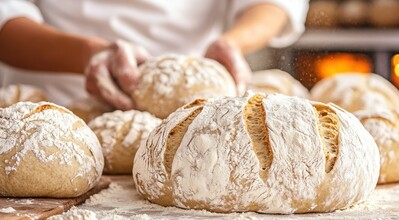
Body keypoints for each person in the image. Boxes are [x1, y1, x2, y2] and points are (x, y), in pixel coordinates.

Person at [0, 0, 308, 110]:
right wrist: (86, 54)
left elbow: (273, 4)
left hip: (194, 109)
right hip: (58, 110)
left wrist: (233, 42)